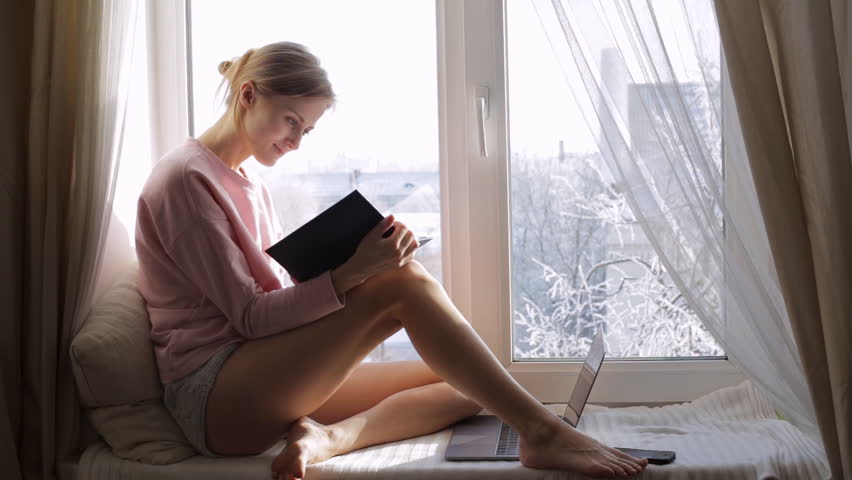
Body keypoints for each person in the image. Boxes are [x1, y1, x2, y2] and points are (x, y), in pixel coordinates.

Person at [135, 41, 648, 480]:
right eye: (291, 121)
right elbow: (249, 318)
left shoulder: (249, 183)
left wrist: (357, 261)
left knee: (463, 385)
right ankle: (541, 431)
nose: (294, 142)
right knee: (402, 284)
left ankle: (328, 439)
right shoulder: (186, 180)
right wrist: (355, 273)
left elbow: (269, 303)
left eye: (306, 131)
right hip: (214, 400)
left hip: (258, 375)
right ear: (248, 96)